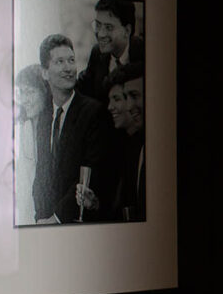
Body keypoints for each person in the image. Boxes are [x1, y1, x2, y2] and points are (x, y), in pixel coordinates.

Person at [33, 34, 112, 224]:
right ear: (45, 72)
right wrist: (40, 218)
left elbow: (89, 173)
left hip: (78, 221)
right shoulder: (43, 117)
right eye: (59, 62)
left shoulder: (93, 112)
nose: (69, 68)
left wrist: (56, 218)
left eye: (71, 60)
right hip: (46, 222)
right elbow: (42, 173)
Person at [76, 62, 145, 221]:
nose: (110, 107)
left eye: (117, 99)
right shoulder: (125, 149)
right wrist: (95, 204)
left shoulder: (141, 147)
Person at [75, 0, 144, 101]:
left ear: (127, 30)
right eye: (98, 25)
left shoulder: (144, 52)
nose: (101, 34)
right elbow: (82, 88)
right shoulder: (97, 53)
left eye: (109, 27)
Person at [13, 63, 48, 226]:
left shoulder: (53, 127)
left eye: (31, 92)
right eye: (22, 92)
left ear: (45, 91)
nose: (25, 99)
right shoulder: (21, 127)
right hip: (24, 210)